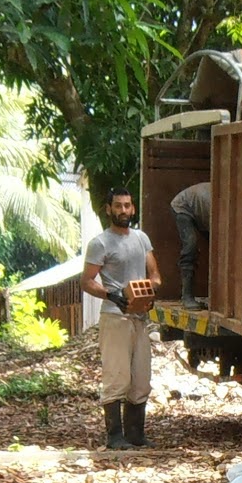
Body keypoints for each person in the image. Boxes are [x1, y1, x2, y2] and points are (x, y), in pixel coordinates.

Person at [82, 188, 160, 450]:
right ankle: (115, 436)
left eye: (127, 205)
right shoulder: (100, 243)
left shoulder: (141, 238)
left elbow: (155, 275)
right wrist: (112, 295)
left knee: (141, 378)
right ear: (109, 209)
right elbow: (87, 281)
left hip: (140, 317)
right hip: (115, 317)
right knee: (117, 376)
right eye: (118, 206)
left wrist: (149, 292)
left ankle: (136, 434)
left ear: (133, 208)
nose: (123, 210)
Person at [171, 180, 211, 309]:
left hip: (199, 209)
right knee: (190, 246)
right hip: (183, 207)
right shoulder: (212, 207)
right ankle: (186, 296)